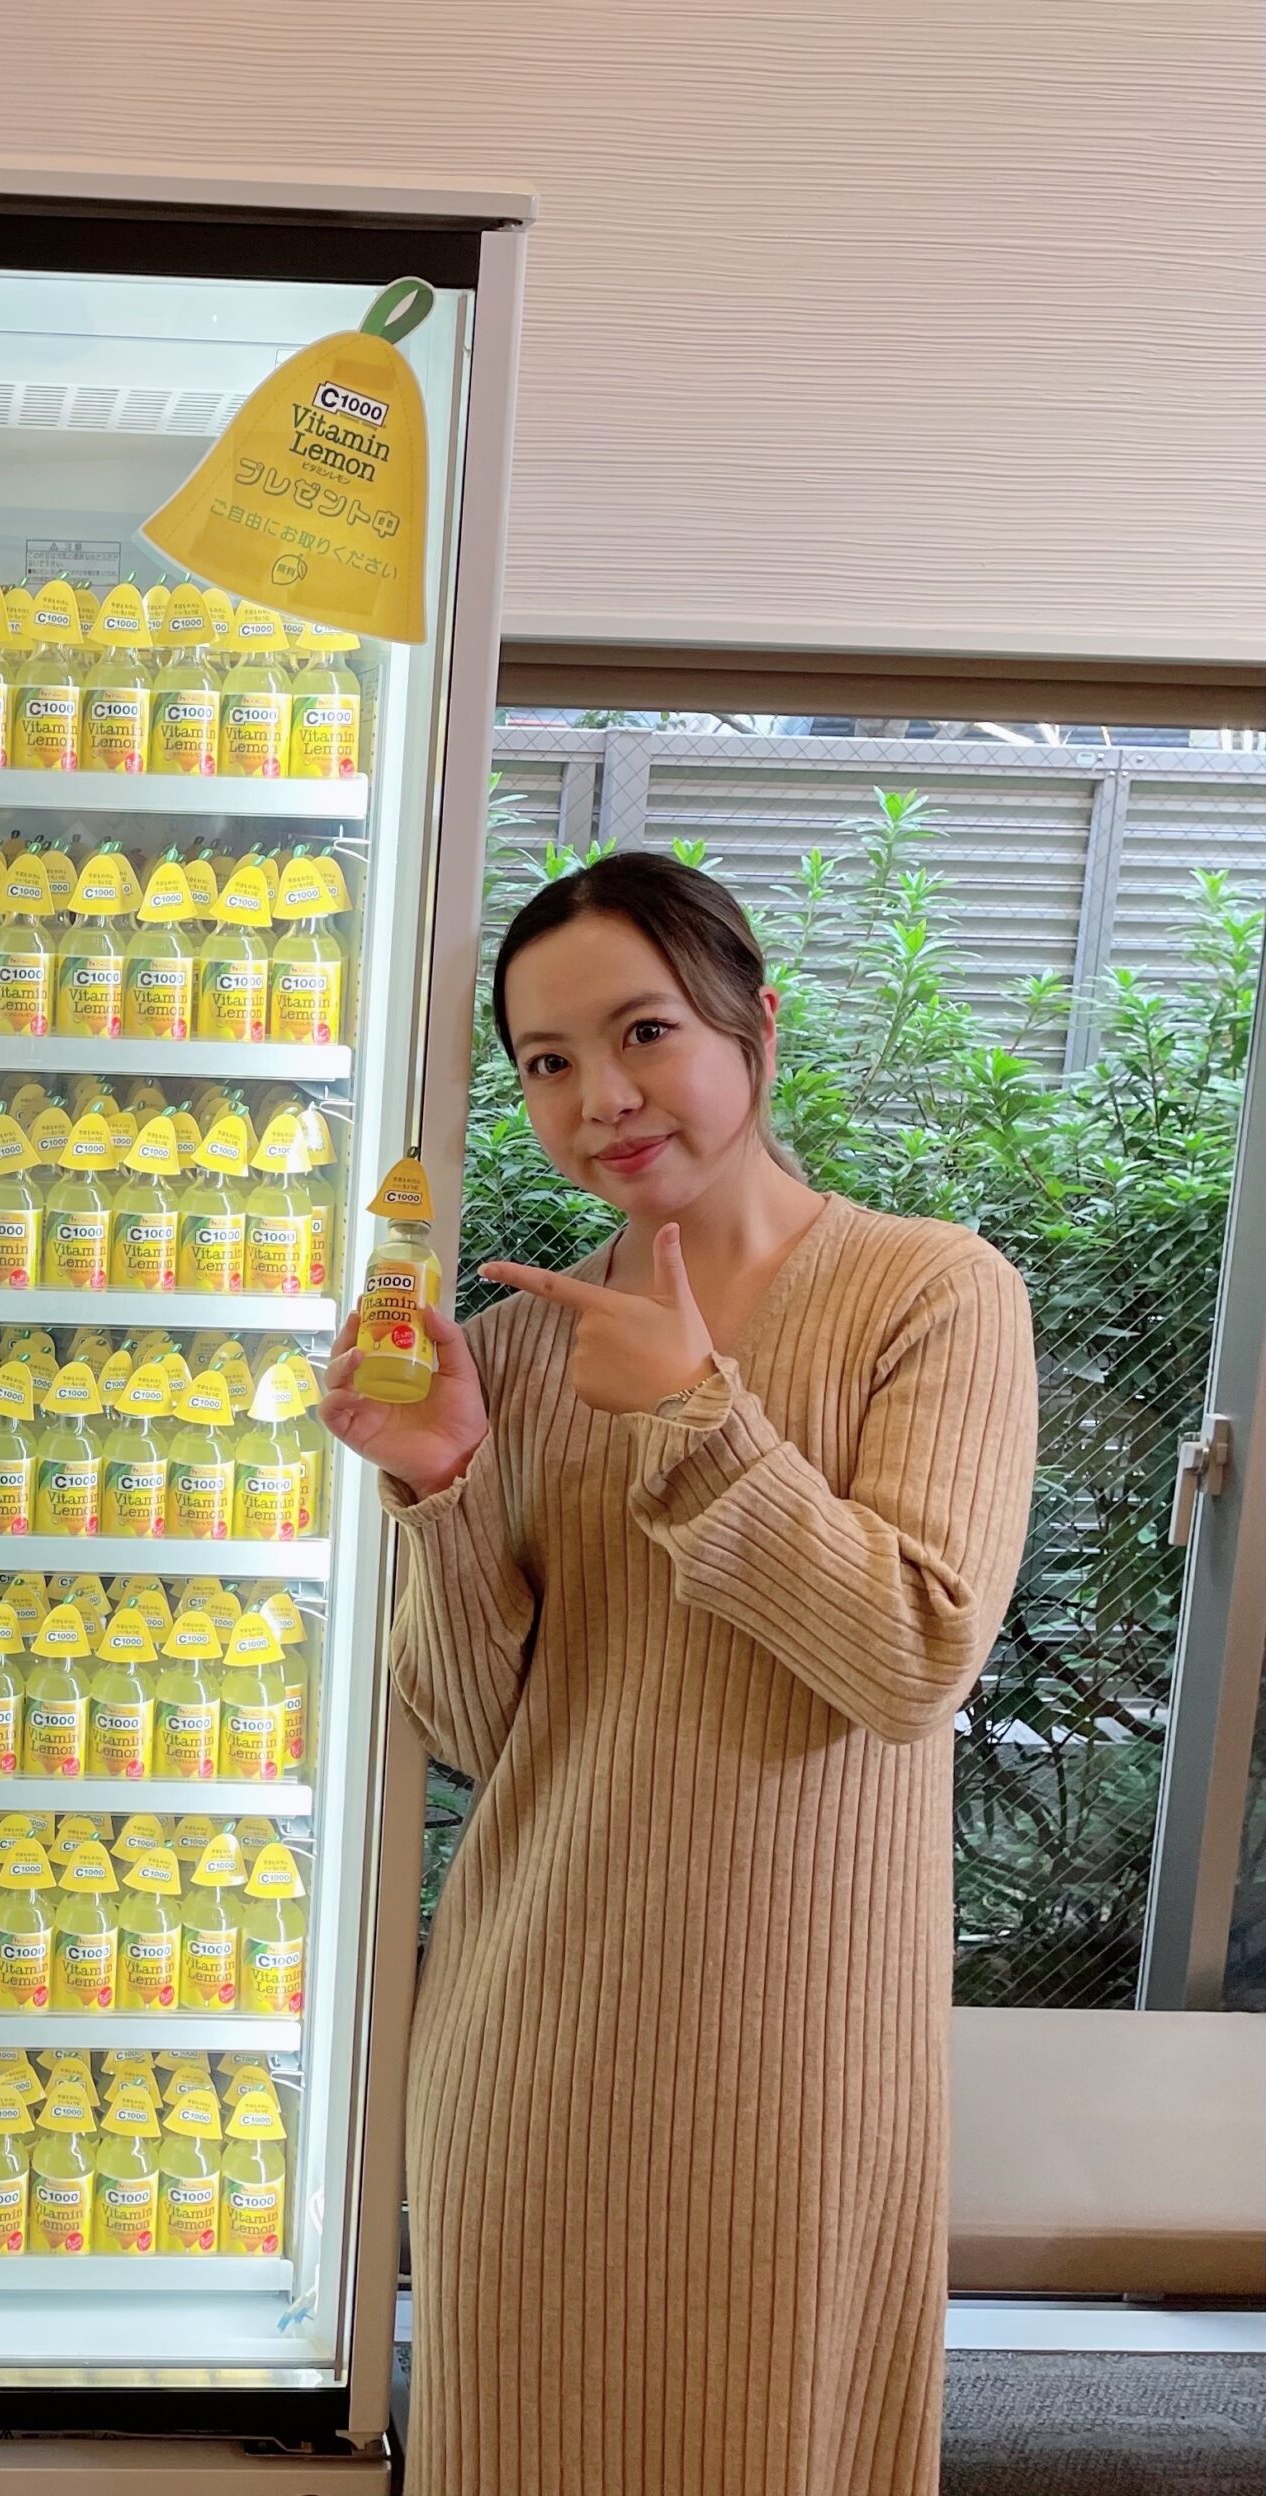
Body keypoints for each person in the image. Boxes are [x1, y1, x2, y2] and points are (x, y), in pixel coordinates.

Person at [322, 854, 1037, 2496]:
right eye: (548, 1061)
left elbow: (913, 1656)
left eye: (646, 1032)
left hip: (801, 2068)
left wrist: (693, 1415)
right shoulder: (521, 1346)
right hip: (530, 2050)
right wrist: (442, 1486)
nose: (601, 1098)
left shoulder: (933, 1292)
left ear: (757, 1026)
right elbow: (470, 1728)